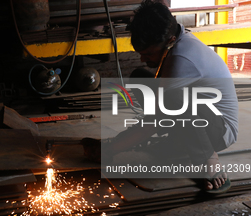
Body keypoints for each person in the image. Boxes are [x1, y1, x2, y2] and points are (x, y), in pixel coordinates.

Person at [88, 0, 238, 193]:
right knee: (140, 79)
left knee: (176, 99)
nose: (143, 58)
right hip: (203, 118)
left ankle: (210, 163)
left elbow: (156, 119)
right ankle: (179, 141)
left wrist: (112, 148)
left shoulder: (182, 60)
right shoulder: (177, 39)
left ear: (169, 41)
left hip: (220, 131)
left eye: (149, 53)